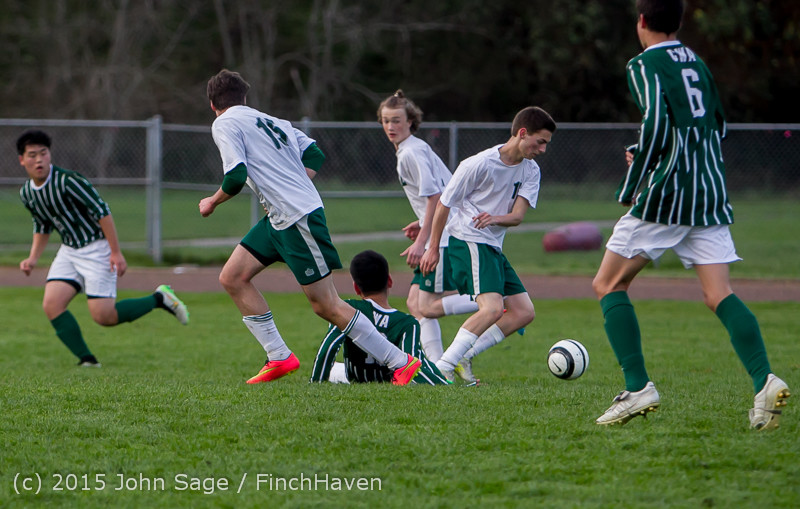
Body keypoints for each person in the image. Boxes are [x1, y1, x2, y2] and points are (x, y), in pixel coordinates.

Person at [591, 0, 790, 429]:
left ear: (642, 22)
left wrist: (633, 184)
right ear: (679, 22)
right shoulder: (697, 62)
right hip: (708, 192)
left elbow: (659, 125)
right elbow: (717, 126)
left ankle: (638, 387)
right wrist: (666, 157)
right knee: (718, 293)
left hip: (667, 195)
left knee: (608, 284)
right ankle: (764, 381)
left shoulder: (643, 64)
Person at [198, 69, 421, 385]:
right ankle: (279, 356)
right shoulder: (271, 120)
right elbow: (314, 153)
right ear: (244, 99)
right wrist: (294, 183)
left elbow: (234, 177)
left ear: (212, 104)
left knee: (327, 305)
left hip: (297, 217)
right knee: (233, 277)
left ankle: (399, 362)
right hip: (279, 217)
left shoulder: (224, 123)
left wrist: (211, 201)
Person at [17, 130, 189, 367]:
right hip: (69, 250)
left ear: (50, 155)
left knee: (104, 317)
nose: (39, 160)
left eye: (43, 154)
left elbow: (102, 212)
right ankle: (87, 360)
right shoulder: (27, 193)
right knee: (52, 305)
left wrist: (115, 251)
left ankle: (159, 298)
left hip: (97, 247)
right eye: (32, 155)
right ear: (22, 160)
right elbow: (42, 224)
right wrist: (33, 258)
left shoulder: (69, 181)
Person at [420, 106, 556, 382]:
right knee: (492, 309)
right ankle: (443, 366)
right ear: (522, 133)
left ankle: (464, 356)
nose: (542, 149)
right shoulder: (477, 164)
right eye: (540, 141)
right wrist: (433, 247)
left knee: (523, 312)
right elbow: (444, 204)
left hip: (492, 246)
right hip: (468, 240)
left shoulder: (531, 170)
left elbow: (517, 217)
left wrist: (495, 218)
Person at [377, 90, 479, 373]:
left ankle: (490, 300)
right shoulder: (413, 149)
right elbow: (436, 197)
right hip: (442, 229)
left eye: (396, 120)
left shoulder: (411, 152)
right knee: (414, 302)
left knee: (427, 305)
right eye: (385, 121)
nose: (390, 127)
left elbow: (436, 198)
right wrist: (421, 222)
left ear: (410, 121)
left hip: (446, 235)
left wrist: (423, 242)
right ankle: (437, 367)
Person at [310, 250, 450, 385]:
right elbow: (415, 366)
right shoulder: (407, 323)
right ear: (389, 281)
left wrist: (316, 383)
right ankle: (444, 378)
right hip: (390, 380)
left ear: (356, 288)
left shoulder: (348, 309)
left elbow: (329, 347)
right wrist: (441, 385)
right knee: (422, 361)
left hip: (355, 377)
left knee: (335, 368)